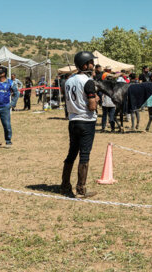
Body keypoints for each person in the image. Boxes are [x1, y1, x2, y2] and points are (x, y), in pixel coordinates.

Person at [61, 51, 99, 198]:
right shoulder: (88, 81)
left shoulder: (68, 81)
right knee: (84, 155)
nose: (93, 65)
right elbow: (91, 106)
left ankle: (65, 186)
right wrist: (96, 100)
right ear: (84, 65)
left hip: (73, 121)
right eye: (91, 62)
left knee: (71, 154)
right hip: (86, 121)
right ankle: (81, 189)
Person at [0, 68, 17, 148]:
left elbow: (16, 93)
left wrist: (12, 104)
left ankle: (8, 142)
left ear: (3, 74)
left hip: (5, 107)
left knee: (7, 125)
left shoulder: (10, 83)